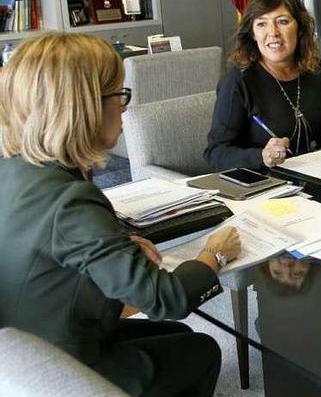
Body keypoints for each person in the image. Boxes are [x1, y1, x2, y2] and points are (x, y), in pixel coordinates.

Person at [0, 33, 243, 396]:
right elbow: (167, 299)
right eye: (118, 94)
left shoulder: (14, 170)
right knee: (202, 349)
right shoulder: (70, 201)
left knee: (178, 337)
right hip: (59, 364)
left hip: (21, 349)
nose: (125, 107)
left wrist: (116, 244)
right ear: (83, 107)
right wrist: (214, 254)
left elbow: (43, 245)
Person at [205, 0, 321, 171]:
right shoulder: (238, 81)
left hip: (314, 177)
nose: (273, 33)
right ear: (252, 33)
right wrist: (262, 156)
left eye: (282, 21)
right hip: (264, 188)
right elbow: (215, 153)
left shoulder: (315, 70)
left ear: (299, 27)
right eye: (261, 24)